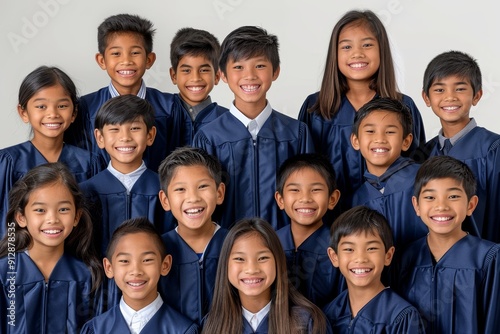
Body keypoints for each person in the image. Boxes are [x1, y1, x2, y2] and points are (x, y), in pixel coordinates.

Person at [298, 10, 426, 218]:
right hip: (331, 221)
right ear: (335, 54)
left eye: (367, 45)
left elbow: (418, 168)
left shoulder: (403, 105)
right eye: (347, 46)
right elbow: (303, 173)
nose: (357, 53)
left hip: (393, 219)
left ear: (381, 50)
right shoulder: (317, 108)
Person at [193, 25, 314, 230]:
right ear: (222, 74)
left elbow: (310, 192)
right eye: (238, 67)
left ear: (275, 71)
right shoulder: (209, 137)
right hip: (228, 248)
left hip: (283, 245)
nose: (249, 76)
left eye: (259, 66)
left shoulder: (296, 133)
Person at [79, 94, 174, 311]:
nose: (125, 138)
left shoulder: (164, 189)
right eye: (114, 129)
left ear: (150, 135)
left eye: (134, 128)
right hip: (98, 296)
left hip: (155, 292)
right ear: (99, 138)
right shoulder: (87, 192)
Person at [64, 13, 186, 172]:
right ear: (102, 60)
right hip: (96, 194)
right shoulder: (85, 109)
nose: (126, 61)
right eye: (116, 53)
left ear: (149, 59)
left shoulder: (170, 107)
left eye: (135, 52)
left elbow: (180, 161)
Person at [393, 156, 500, 333]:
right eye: (430, 197)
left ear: (471, 205)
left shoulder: (488, 259)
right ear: (416, 205)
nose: (441, 206)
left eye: (453, 196)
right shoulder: (406, 257)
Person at [0, 66, 103, 237]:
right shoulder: (8, 162)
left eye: (62, 105)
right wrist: (12, 261)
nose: (52, 114)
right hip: (21, 258)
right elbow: (6, 222)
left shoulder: (89, 163)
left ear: (74, 113)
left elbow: (94, 223)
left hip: (76, 259)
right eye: (41, 106)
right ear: (23, 112)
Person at [0, 162, 102, 333]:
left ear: (77, 217)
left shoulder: (86, 276)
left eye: (63, 209)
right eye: (40, 210)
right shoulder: (4, 274)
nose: (52, 219)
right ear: (21, 217)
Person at [419, 50, 500, 242]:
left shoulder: (493, 150)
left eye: (460, 88)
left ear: (477, 95)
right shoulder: (422, 154)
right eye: (440, 89)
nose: (450, 97)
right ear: (426, 98)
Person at [201, 218, 330, 334]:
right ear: (226, 265)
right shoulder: (213, 325)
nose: (251, 269)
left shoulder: (307, 323)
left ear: (277, 262)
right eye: (240, 258)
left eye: (263, 258)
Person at [80, 217, 199, 334]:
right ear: (109, 267)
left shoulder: (182, 330)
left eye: (147, 260)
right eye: (125, 261)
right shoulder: (96, 329)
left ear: (165, 265)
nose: (136, 271)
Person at [323, 206, 425, 333]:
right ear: (334, 257)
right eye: (349, 249)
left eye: (371, 248)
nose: (360, 259)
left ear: (388, 256)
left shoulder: (402, 317)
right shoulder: (328, 313)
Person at [157, 146, 227, 325]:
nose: (193, 198)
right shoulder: (157, 251)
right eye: (181, 189)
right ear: (165, 200)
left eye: (202, 186)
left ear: (219, 193)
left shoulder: (235, 245)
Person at [350, 98, 428, 249]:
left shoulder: (424, 179)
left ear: (406, 141)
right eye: (370, 131)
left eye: (390, 132)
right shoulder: (357, 199)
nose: (379, 139)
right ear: (356, 140)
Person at [274, 153, 344, 308]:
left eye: (315, 190)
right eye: (295, 190)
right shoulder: (270, 244)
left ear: (332, 199)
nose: (305, 198)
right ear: (280, 200)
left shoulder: (340, 247)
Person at [168, 27, 228, 143]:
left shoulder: (228, 121)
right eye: (186, 70)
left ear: (217, 76)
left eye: (204, 70)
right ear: (174, 76)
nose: (195, 78)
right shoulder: (162, 116)